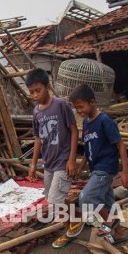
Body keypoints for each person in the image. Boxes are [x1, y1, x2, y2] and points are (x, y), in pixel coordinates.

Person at [53, 84, 128, 248]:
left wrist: (125, 172)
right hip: (96, 168)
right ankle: (119, 233)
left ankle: (110, 221)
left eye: (81, 106)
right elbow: (88, 151)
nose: (79, 111)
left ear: (92, 102)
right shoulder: (86, 123)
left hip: (106, 167)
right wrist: (81, 168)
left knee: (86, 198)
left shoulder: (104, 121)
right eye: (76, 108)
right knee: (106, 202)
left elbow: (121, 145)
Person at [26, 68, 78, 218]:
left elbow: (74, 130)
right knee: (50, 197)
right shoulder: (36, 112)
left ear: (47, 87)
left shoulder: (60, 105)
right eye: (31, 92)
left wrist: (72, 159)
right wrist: (34, 164)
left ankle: (69, 227)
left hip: (63, 161)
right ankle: (75, 217)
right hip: (48, 163)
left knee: (55, 200)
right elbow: (38, 138)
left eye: (38, 90)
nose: (35, 95)